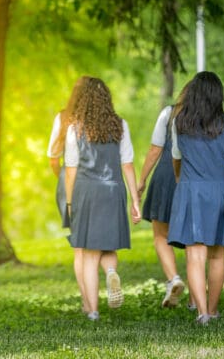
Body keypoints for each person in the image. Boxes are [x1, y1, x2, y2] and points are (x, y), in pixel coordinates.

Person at [168, 71, 224, 325]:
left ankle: (202, 313)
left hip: (190, 190)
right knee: (217, 255)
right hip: (219, 190)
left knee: (194, 255)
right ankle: (213, 308)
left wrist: (181, 182)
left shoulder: (178, 123)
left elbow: (177, 158)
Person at [64, 76, 141, 321]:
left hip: (88, 191)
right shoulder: (120, 126)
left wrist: (69, 203)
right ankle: (110, 272)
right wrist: (135, 201)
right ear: (107, 99)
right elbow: (127, 164)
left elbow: (71, 169)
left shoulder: (75, 128)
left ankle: (93, 311)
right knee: (108, 246)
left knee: (88, 253)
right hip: (113, 190)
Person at [137, 84, 190, 308]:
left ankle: (173, 278)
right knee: (193, 240)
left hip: (166, 174)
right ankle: (197, 298)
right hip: (194, 177)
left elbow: (155, 149)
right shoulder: (213, 117)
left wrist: (141, 180)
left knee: (160, 233)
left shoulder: (170, 113)